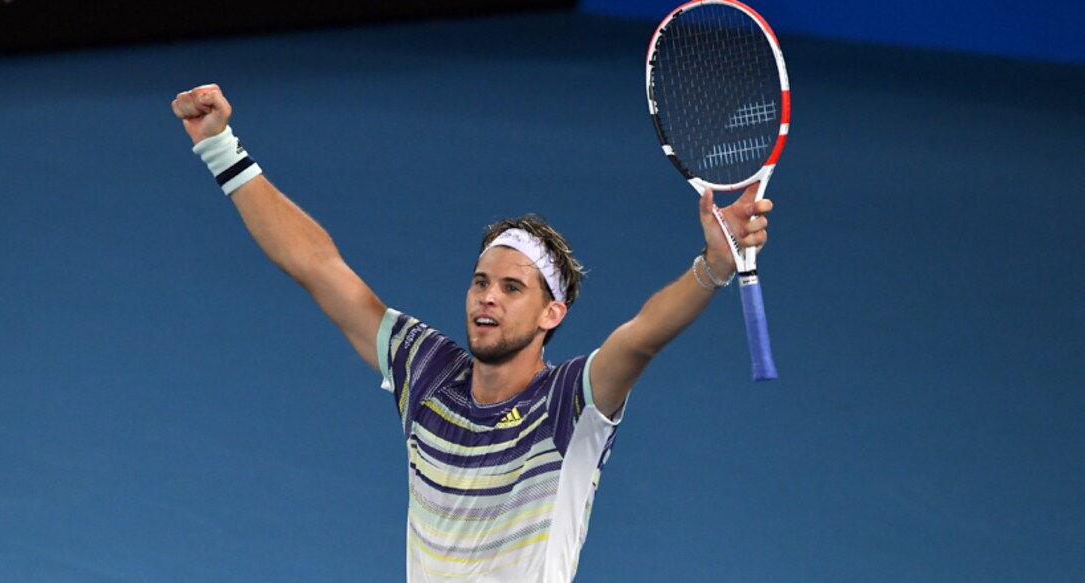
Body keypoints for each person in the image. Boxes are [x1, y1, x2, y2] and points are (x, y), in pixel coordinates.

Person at [171, 83, 773, 583]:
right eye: (481, 281)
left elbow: (640, 338)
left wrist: (713, 266)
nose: (488, 297)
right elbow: (319, 268)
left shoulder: (571, 406)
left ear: (552, 314)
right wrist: (221, 149)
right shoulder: (426, 371)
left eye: (512, 288)